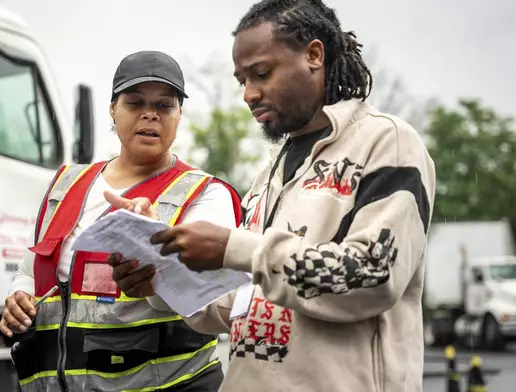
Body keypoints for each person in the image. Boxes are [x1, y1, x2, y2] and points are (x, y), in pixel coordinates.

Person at [107, 1, 437, 391]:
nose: (248, 94)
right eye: (242, 80)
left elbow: (373, 275)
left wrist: (235, 246)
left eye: (261, 74)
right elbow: (247, 300)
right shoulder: (269, 174)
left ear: (314, 55)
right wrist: (159, 278)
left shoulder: (386, 142)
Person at [0, 50, 243, 392]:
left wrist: (157, 240)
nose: (150, 114)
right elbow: (30, 272)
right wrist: (19, 297)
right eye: (135, 102)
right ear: (113, 109)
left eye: (164, 105)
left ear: (179, 115)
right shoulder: (65, 184)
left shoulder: (206, 194)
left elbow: (213, 298)